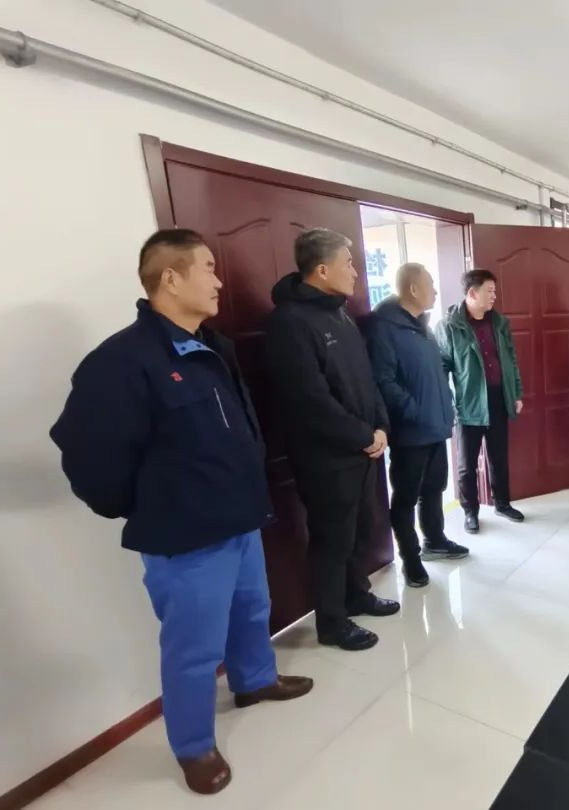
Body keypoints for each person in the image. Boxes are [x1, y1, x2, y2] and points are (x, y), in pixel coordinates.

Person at [50, 229, 313, 796]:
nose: (219, 280)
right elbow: (86, 453)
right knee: (193, 648)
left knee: (252, 610)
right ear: (170, 278)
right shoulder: (121, 361)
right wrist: (137, 507)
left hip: (241, 517)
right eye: (208, 268)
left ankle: (255, 680)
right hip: (185, 536)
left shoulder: (214, 347)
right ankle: (193, 746)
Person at [263, 228, 400, 654]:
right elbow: (310, 399)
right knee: (332, 539)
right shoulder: (289, 322)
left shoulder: (340, 314)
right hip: (326, 457)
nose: (356, 272)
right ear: (322, 270)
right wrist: (362, 435)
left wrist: (381, 426)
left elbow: (366, 379)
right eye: (348, 263)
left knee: (359, 530)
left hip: (363, 449)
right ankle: (331, 621)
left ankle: (356, 594)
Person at [368, 263, 468, 588]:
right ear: (413, 289)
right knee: (406, 497)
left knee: (434, 488)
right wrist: (415, 410)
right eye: (430, 285)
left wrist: (445, 407)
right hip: (411, 432)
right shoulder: (385, 327)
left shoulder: (422, 327)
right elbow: (383, 380)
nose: (436, 292)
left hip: (435, 427)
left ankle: (435, 541)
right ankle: (410, 559)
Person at [436, 269, 525, 535]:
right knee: (467, 465)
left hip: (498, 398)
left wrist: (516, 393)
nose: (494, 296)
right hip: (469, 403)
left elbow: (511, 360)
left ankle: (502, 504)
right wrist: (448, 403)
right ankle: (470, 511)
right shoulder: (449, 326)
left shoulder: (499, 323)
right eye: (490, 291)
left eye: (494, 291)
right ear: (472, 293)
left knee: (499, 457)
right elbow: (442, 367)